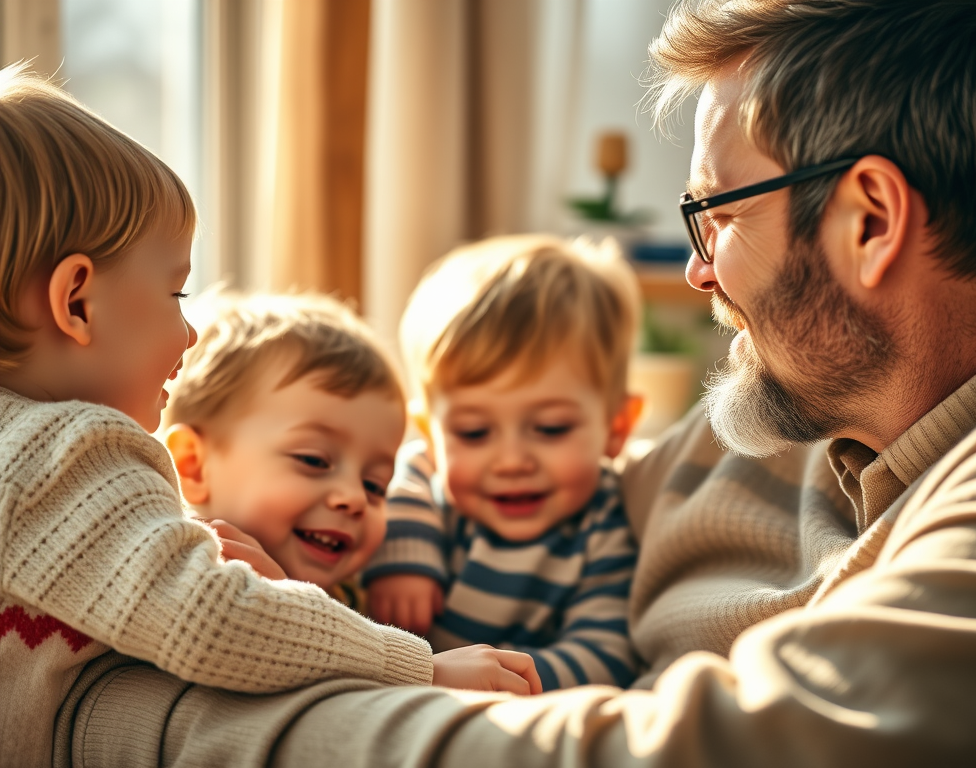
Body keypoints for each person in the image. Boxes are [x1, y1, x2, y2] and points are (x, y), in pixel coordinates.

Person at [57, 0, 976, 765]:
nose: (697, 273)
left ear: (868, 221)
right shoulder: (782, 424)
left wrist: (123, 719)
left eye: (717, 215)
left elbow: (729, 747)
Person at [0, 64, 544, 768]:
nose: (188, 334)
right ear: (77, 301)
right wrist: (423, 668)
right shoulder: (67, 452)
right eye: (175, 294)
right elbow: (210, 618)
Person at [363, 235, 645, 690]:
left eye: (551, 429)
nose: (512, 462)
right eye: (473, 433)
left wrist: (506, 679)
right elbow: (400, 479)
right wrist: (402, 559)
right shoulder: (422, 482)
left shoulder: (604, 524)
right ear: (431, 435)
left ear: (616, 428)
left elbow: (605, 656)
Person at [162, 291, 409, 610]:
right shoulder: (177, 580)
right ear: (193, 465)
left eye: (375, 485)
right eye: (314, 460)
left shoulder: (359, 598)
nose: (356, 498)